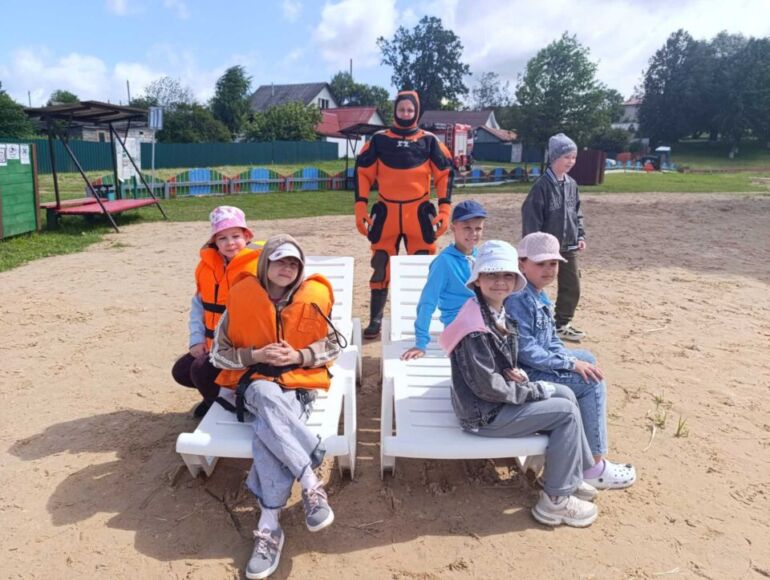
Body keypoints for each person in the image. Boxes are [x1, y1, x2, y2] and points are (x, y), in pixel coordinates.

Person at [439, 240, 599, 528]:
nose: (500, 282)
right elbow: (487, 388)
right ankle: (555, 501)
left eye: (507, 275)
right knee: (564, 413)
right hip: (483, 414)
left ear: (515, 281)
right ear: (478, 280)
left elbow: (499, 363)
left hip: (491, 402)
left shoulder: (493, 311)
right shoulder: (475, 328)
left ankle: (570, 475)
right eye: (491, 275)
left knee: (566, 393)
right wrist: (533, 389)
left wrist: (513, 372)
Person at [209, 234, 342, 579]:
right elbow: (218, 354)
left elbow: (333, 346)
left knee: (268, 432)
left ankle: (270, 526)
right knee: (266, 395)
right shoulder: (241, 300)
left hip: (298, 389)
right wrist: (255, 355)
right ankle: (310, 481)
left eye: (294, 263)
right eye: (280, 260)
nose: (287, 267)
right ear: (265, 263)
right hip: (254, 385)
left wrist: (299, 355)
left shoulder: (312, 300)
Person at [505, 232, 636, 490]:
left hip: (537, 363)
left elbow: (551, 339)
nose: (548, 270)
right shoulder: (520, 299)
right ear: (522, 264)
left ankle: (579, 442)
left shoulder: (537, 294)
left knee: (587, 359)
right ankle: (593, 465)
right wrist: (569, 365)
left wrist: (570, 359)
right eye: (540, 263)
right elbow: (526, 351)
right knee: (591, 382)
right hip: (526, 372)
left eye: (553, 263)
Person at [354, 90, 455, 339]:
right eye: (402, 109)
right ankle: (376, 319)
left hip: (418, 213)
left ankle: (418, 319)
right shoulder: (379, 140)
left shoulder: (429, 141)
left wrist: (444, 208)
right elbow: (363, 172)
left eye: (410, 110)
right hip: (386, 213)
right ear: (395, 111)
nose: (406, 113)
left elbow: (444, 174)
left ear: (416, 111)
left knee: (421, 268)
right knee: (380, 264)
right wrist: (360, 207)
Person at [171, 206, 261, 418]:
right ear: (214, 242)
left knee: (200, 370)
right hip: (212, 344)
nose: (230, 243)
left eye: (236, 236)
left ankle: (225, 406)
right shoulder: (206, 267)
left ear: (247, 236)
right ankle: (214, 399)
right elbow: (198, 306)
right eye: (222, 238)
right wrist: (196, 340)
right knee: (182, 371)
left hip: (242, 348)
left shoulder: (259, 267)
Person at [402, 200, 487, 360]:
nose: (473, 233)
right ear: (453, 228)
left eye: (478, 228)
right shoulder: (444, 262)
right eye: (467, 228)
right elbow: (427, 302)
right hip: (460, 329)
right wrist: (420, 343)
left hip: (482, 323)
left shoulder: (482, 257)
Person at [521, 133, 586, 342]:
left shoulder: (572, 184)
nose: (571, 161)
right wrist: (532, 246)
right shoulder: (541, 186)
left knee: (572, 285)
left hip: (569, 245)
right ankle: (529, 320)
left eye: (574, 157)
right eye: (566, 157)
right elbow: (531, 216)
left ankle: (562, 324)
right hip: (545, 248)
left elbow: (577, 212)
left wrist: (580, 234)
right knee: (536, 283)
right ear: (554, 157)